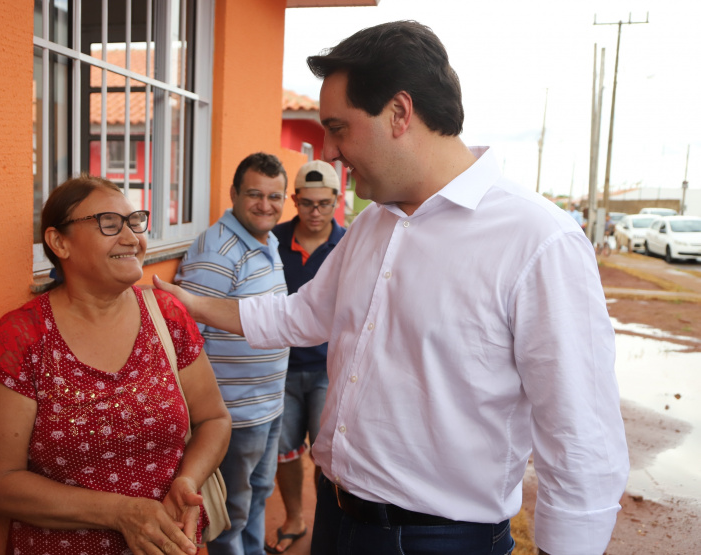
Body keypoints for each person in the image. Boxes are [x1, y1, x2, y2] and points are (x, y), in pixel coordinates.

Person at [155, 21, 629, 555]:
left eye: (339, 128)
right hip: (336, 517)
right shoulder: (370, 226)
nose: (330, 152)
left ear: (400, 113)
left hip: (442, 538)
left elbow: (580, 435)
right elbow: (299, 316)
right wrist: (185, 302)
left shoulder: (538, 240)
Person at [0, 175, 231, 555]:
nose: (131, 238)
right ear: (60, 242)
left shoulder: (166, 315)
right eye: (109, 224)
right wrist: (121, 512)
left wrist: (188, 480)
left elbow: (214, 419)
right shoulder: (22, 337)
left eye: (134, 221)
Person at [174, 152, 290, 555]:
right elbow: (188, 339)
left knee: (257, 498)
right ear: (234, 194)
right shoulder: (219, 251)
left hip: (267, 405)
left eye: (275, 197)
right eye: (255, 194)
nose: (265, 205)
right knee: (230, 515)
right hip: (234, 415)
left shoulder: (267, 241)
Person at [264, 160, 345, 555]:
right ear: (294, 200)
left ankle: (324, 528)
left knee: (327, 457)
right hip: (280, 367)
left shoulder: (350, 245)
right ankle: (295, 518)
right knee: (285, 449)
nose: (315, 213)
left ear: (337, 201)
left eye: (324, 204)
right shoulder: (273, 240)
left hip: (329, 369)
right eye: (307, 203)